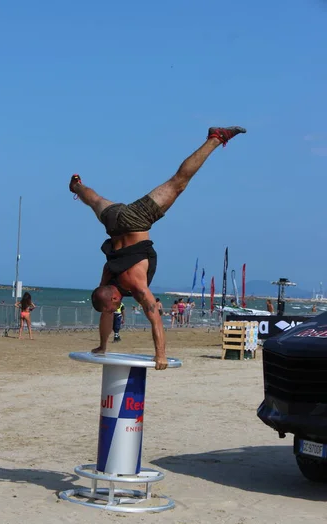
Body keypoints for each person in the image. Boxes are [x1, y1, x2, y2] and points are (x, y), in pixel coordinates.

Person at [70, 125, 246, 369]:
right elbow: (106, 314)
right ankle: (77, 186)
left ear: (112, 296)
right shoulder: (106, 281)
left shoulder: (135, 285)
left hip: (135, 221)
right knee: (95, 200)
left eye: (113, 305)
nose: (115, 308)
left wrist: (160, 354)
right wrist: (102, 346)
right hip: (114, 222)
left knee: (178, 182)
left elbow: (155, 318)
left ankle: (216, 138)